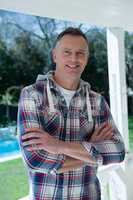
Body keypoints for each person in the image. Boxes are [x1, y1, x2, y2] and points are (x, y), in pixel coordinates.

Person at [17, 27, 125, 200]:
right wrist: (91, 148)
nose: (74, 59)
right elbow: (35, 159)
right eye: (67, 52)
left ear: (87, 58)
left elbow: (118, 151)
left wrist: (56, 145)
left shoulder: (97, 102)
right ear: (55, 55)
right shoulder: (32, 95)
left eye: (80, 53)